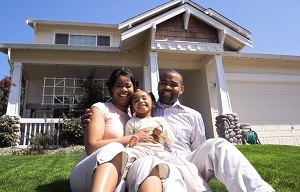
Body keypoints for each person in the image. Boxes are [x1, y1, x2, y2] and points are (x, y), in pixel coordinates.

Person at [82, 69, 275, 192]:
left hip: (187, 160)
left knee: (218, 145)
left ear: (182, 89)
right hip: (152, 161)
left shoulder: (193, 115)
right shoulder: (145, 108)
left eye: (173, 84)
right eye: (163, 83)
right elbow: (119, 115)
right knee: (162, 171)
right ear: (157, 88)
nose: (167, 87)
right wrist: (90, 119)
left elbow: (200, 148)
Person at [69, 68, 186, 192]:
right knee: (115, 149)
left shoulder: (134, 117)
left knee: (149, 164)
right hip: (90, 173)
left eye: (128, 86)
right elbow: (92, 146)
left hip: (123, 173)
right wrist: (135, 137)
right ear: (112, 89)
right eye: (119, 85)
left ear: (134, 90)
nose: (124, 89)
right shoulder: (100, 108)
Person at [125, 89, 209, 191]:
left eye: (144, 98)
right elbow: (127, 140)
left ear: (154, 104)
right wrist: (134, 140)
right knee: (126, 157)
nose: (141, 101)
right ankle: (121, 179)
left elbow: (170, 139)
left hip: (158, 151)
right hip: (140, 150)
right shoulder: (132, 122)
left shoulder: (159, 120)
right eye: (136, 101)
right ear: (132, 108)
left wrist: (162, 129)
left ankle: (200, 189)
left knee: (184, 165)